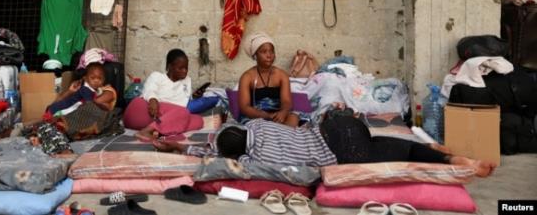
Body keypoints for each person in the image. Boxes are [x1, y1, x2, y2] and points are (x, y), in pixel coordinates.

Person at [152, 112, 496, 178]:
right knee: (389, 142)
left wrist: (178, 149)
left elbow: (211, 155)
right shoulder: (256, 124)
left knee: (394, 152)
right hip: (338, 126)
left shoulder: (253, 160)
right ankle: (451, 156)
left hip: (343, 155)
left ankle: (456, 163)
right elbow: (221, 136)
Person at [123, 49, 204, 140]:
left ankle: (157, 130)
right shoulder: (157, 76)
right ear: (170, 66)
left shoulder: (187, 81)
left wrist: (194, 96)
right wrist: (153, 99)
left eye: (186, 68)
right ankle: (146, 131)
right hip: (144, 111)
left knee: (198, 120)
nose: (184, 71)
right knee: (183, 112)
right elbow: (149, 90)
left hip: (161, 118)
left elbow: (183, 99)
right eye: (180, 68)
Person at [237, 32, 299, 127]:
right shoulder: (247, 77)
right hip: (256, 116)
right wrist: (266, 116)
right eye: (264, 52)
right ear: (255, 55)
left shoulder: (282, 75)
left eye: (271, 51)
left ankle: (281, 135)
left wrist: (283, 112)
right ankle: (277, 133)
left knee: (294, 118)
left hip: (278, 115)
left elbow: (286, 101)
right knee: (252, 126)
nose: (269, 55)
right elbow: (244, 107)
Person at [45, 62, 116, 118]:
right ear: (85, 78)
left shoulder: (93, 90)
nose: (96, 81)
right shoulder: (86, 90)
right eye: (93, 78)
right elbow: (91, 106)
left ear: (104, 80)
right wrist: (105, 107)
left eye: (100, 78)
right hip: (56, 112)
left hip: (57, 111)